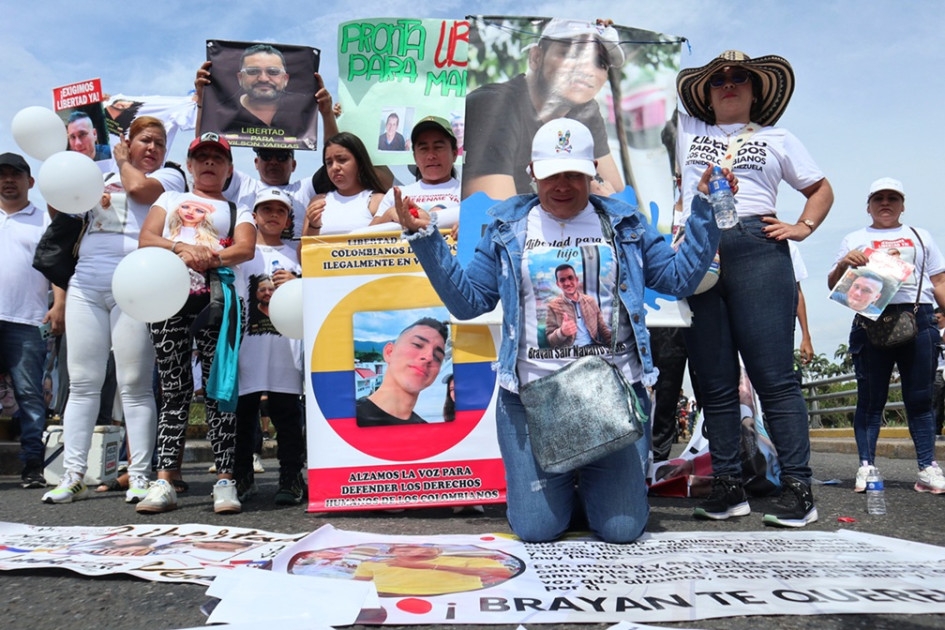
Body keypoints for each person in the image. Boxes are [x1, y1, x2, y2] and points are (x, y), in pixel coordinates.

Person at [395, 118, 724, 543]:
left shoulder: (626, 223)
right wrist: (424, 236)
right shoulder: (504, 226)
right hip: (532, 401)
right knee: (537, 529)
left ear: (591, 173)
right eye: (552, 174)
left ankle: (595, 488)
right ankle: (563, 490)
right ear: (533, 172)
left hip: (614, 397)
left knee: (622, 530)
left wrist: (705, 211)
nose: (563, 185)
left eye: (574, 174)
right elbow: (469, 301)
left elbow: (678, 279)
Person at [675, 50, 833, 527]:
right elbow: (631, 91)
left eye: (740, 78)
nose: (729, 84)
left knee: (774, 376)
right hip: (699, 245)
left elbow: (821, 188)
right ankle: (729, 488)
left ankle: (800, 491)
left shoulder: (778, 138)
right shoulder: (685, 131)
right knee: (715, 381)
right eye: (718, 78)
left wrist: (802, 227)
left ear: (756, 89)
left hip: (757, 244)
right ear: (704, 92)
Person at [41, 117, 185, 506]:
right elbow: (61, 210)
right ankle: (72, 475)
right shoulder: (98, 172)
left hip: (135, 285)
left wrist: (123, 163)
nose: (152, 148)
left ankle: (138, 475)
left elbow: (138, 190)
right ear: (128, 141)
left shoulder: (170, 180)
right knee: (83, 383)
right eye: (144, 141)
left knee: (135, 384)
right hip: (86, 284)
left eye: (158, 143)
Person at [137, 132, 256, 514]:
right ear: (189, 165)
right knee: (174, 390)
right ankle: (165, 480)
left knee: (220, 392)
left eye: (216, 158)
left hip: (216, 305)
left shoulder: (239, 209)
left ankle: (225, 480)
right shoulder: (169, 198)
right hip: (168, 299)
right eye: (201, 157)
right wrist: (180, 248)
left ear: (228, 169)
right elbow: (147, 238)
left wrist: (209, 258)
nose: (208, 163)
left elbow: (245, 248)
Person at [828, 177, 945, 495]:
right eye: (879, 198)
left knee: (920, 399)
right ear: (868, 205)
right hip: (870, 318)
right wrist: (843, 264)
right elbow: (832, 285)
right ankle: (866, 465)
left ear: (903, 204)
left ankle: (927, 468)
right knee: (870, 400)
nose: (886, 203)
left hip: (918, 317)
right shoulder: (855, 238)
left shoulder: (920, 237)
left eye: (893, 198)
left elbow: (939, 281)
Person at [463, 18, 626, 200]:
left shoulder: (586, 111)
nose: (587, 70)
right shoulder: (493, 105)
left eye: (600, 63)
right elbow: (493, 215)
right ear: (536, 58)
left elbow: (617, 195)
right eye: (573, 54)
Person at [233, 188, 307, 506]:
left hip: (285, 354)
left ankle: (291, 478)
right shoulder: (242, 253)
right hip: (248, 350)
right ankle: (241, 476)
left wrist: (298, 282)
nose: (273, 215)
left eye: (280, 210)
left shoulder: (299, 254)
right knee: (242, 417)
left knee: (287, 419)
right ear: (255, 215)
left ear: (289, 218)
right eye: (266, 209)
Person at [0, 153, 65, 489]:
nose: (8, 180)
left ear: (31, 182)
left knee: (29, 396)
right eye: (3, 175)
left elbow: (55, 265)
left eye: (16, 174)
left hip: (26, 319)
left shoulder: (44, 220)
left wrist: (60, 304)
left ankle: (32, 466)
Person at [355, 318, 448, 428]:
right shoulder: (346, 418)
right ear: (389, 352)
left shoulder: (426, 430)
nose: (429, 357)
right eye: (417, 345)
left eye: (437, 357)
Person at [374, 116, 460, 229]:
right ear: (415, 157)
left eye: (438, 147)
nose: (431, 156)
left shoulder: (468, 193)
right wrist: (389, 214)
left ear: (454, 154)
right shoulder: (395, 195)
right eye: (424, 149)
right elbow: (359, 239)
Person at [303, 132, 387, 235]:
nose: (335, 167)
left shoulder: (378, 201)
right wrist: (313, 227)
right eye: (329, 163)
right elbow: (303, 250)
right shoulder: (318, 202)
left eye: (342, 160)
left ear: (359, 162)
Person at [544, 263, 611, 348]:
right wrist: (562, 333)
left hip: (592, 348)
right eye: (562, 280)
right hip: (568, 353)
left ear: (576, 280)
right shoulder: (553, 306)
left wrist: (613, 347)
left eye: (570, 278)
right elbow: (550, 341)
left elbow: (603, 329)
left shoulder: (591, 301)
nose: (567, 283)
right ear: (558, 284)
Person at [934, 307, 945, 437]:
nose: (936, 321)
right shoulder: (933, 332)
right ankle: (936, 430)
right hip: (938, 370)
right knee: (936, 402)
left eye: (938, 318)